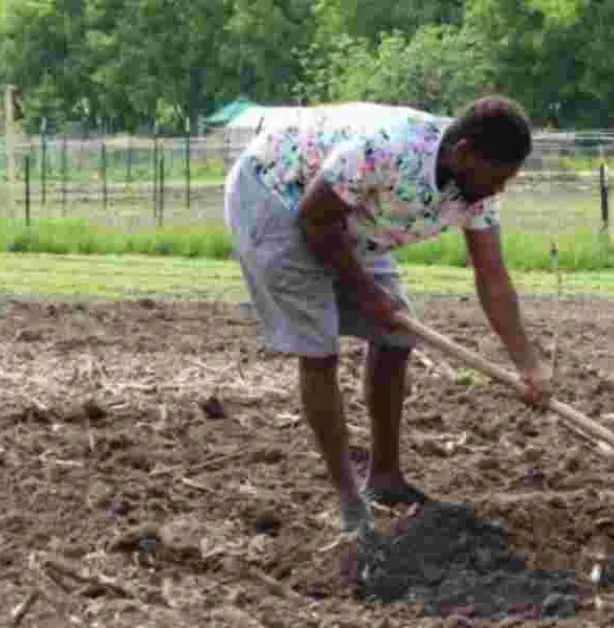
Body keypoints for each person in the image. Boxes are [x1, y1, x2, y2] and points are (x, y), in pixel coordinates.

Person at [223, 95, 550, 538]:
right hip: (278, 195)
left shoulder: (475, 190)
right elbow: (314, 221)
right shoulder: (388, 149)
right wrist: (365, 291)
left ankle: (385, 477)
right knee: (319, 351)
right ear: (465, 153)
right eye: (497, 176)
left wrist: (527, 364)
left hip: (348, 216)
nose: (500, 189)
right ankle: (349, 501)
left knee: (395, 338)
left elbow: (491, 275)